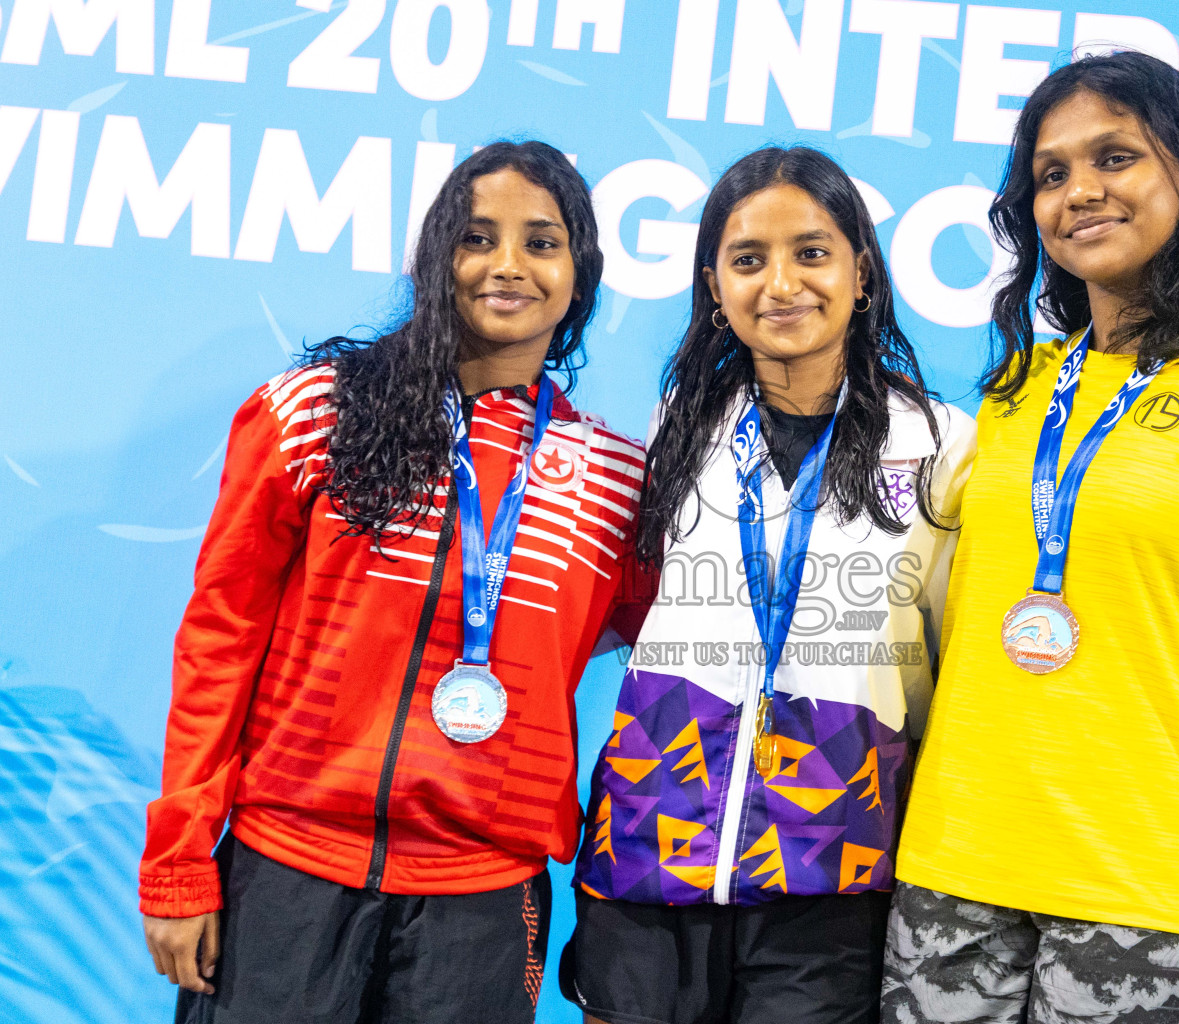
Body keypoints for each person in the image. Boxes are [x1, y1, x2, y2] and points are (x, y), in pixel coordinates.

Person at [883, 51, 1179, 1024]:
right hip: (951, 868)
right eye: (1051, 174)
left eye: (1115, 157)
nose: (1079, 192)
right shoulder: (1016, 390)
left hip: (1146, 887)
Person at [138, 140, 648, 1024]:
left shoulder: (613, 480)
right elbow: (220, 641)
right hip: (285, 872)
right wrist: (180, 862)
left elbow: (680, 669)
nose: (508, 266)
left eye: (542, 242)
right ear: (435, 255)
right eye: (478, 237)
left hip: (484, 901)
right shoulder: (312, 413)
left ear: (580, 274)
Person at [558, 146, 975, 1024]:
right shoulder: (681, 424)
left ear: (862, 272)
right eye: (748, 260)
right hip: (649, 849)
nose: (781, 284)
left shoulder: (942, 445)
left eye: (812, 253)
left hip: (829, 865)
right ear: (715, 285)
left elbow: (970, 654)